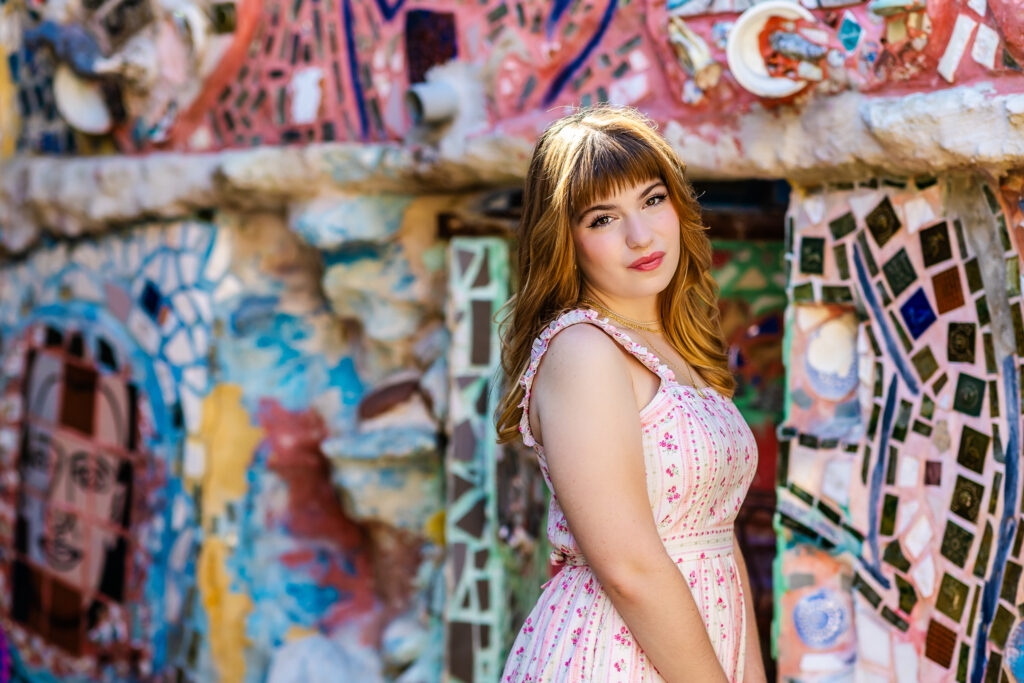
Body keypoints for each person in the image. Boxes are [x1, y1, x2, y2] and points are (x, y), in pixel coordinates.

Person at [495, 105, 766, 682]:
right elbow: (627, 566)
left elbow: (720, 536)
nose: (640, 235)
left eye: (651, 200)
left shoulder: (676, 345)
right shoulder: (583, 350)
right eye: (602, 218)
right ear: (564, 239)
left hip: (701, 650)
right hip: (613, 656)